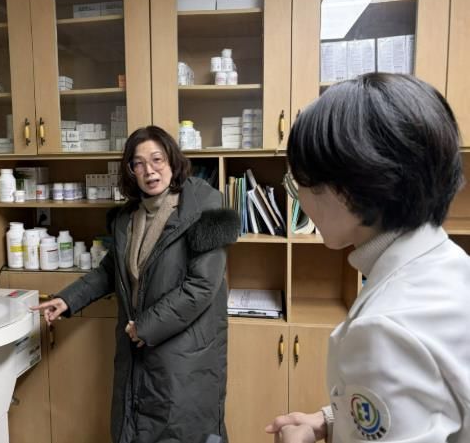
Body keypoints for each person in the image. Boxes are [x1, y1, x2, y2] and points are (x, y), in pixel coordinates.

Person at [265, 73, 470, 442]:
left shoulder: (385, 329)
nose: (300, 202)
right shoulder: (449, 262)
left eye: (300, 184)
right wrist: (332, 419)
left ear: (346, 189)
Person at [33, 125, 240, 443]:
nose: (149, 170)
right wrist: (68, 299)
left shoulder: (205, 209)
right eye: (138, 163)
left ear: (172, 160)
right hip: (137, 347)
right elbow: (110, 271)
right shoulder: (129, 217)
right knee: (135, 428)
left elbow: (201, 287)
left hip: (182, 354)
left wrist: (145, 327)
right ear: (130, 171)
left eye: (157, 159)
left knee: (180, 431)